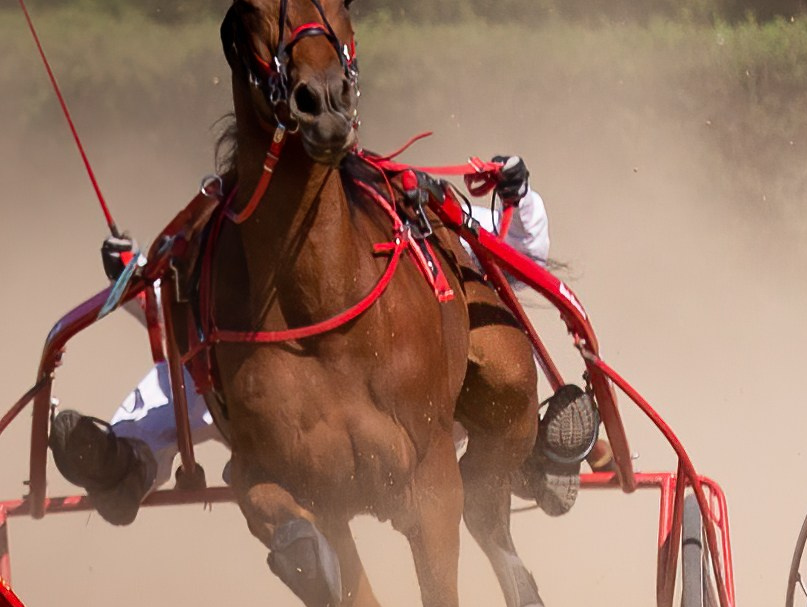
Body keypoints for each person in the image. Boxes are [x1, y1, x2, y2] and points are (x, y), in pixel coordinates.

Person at [48, 155, 598, 524]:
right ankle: (121, 462)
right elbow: (177, 302)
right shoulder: (229, 237)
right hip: (248, 379)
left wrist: (519, 197)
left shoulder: (389, 210)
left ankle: (527, 447)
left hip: (394, 390)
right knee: (179, 378)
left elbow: (522, 262)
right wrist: (135, 270)